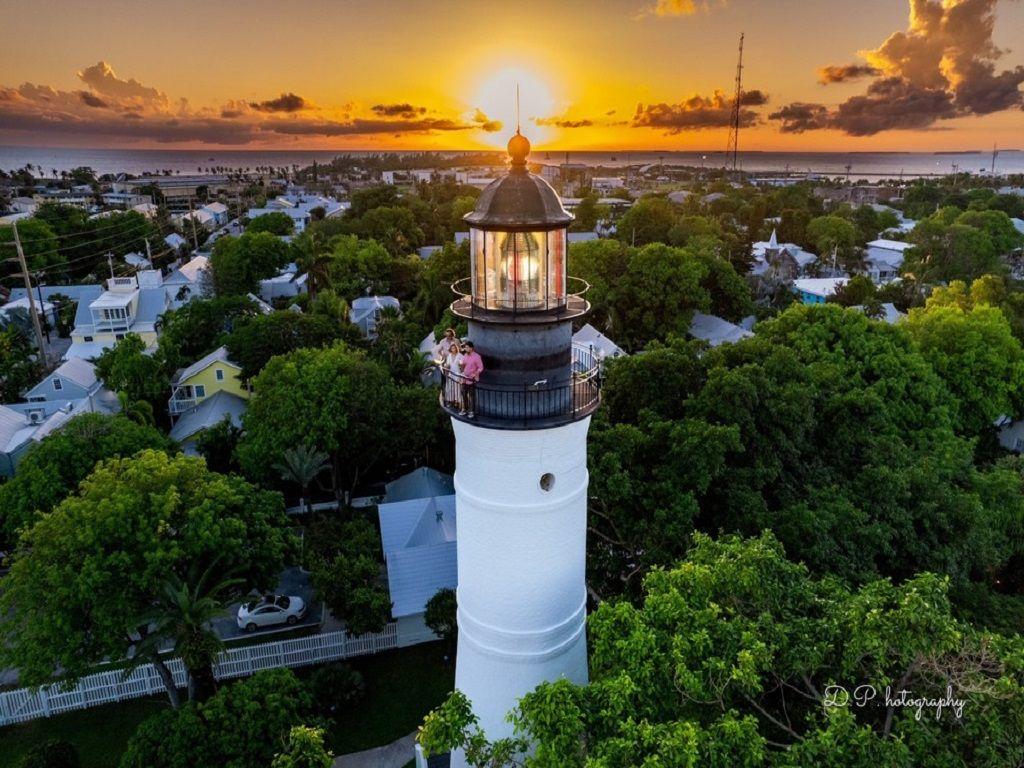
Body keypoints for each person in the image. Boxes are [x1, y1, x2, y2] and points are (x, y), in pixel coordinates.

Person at [460, 341, 484, 418]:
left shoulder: (477, 357)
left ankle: (471, 411)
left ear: (471, 348)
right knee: (463, 394)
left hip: (472, 380)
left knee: (471, 396)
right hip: (464, 378)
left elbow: (481, 367)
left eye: (467, 347)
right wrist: (461, 367)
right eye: (465, 347)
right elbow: (463, 364)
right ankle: (465, 409)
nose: (466, 349)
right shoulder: (465, 355)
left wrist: (475, 374)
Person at [440, 341, 464, 409]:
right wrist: (444, 367)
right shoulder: (449, 355)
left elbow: (462, 364)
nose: (453, 349)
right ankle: (451, 400)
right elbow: (448, 364)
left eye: (454, 348)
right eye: (452, 348)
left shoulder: (460, 355)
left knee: (457, 388)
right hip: (451, 373)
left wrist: (461, 369)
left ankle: (457, 401)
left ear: (456, 348)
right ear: (450, 349)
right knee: (450, 387)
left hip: (457, 373)